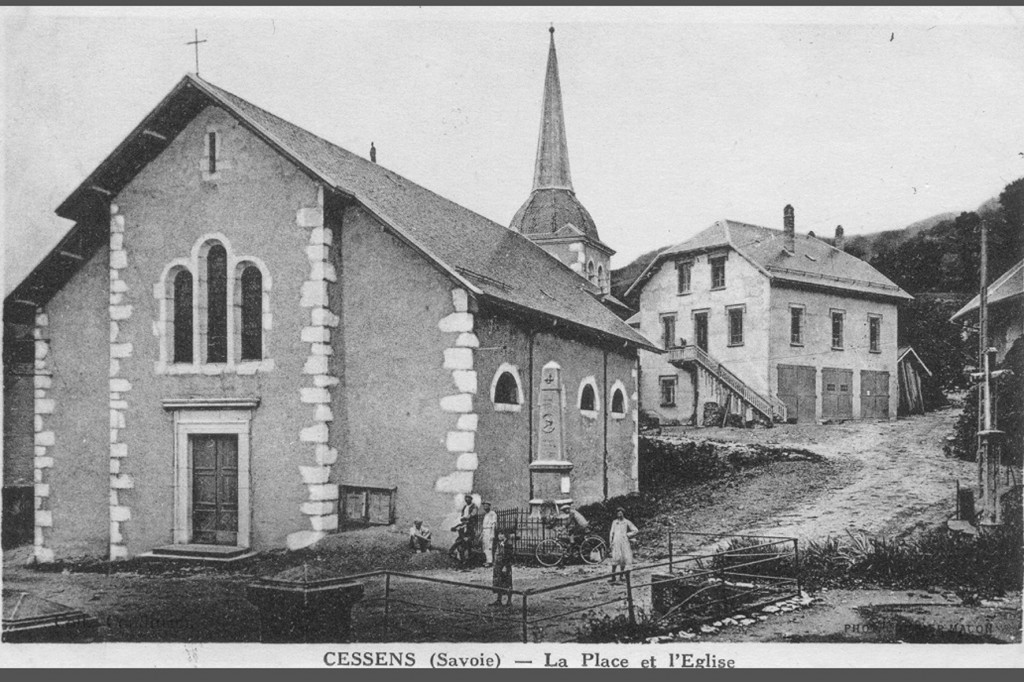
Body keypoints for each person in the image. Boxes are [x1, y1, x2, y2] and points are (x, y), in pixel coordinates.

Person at [608, 507, 638, 584]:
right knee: (615, 558)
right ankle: (613, 576)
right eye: (618, 513)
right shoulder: (614, 522)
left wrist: (628, 535)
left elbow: (635, 530)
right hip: (616, 541)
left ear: (623, 514)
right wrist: (611, 541)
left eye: (621, 513)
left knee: (623, 559)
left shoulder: (627, 522)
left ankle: (621, 576)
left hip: (624, 541)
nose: (619, 514)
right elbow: (611, 533)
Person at [491, 532, 515, 606]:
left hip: (505, 565)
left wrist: (505, 566)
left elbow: (510, 556)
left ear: (505, 535)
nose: (499, 536)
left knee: (507, 582)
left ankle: (509, 601)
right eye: (499, 534)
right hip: (498, 565)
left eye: (501, 534)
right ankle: (499, 600)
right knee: (498, 582)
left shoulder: (508, 544)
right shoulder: (498, 543)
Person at [481, 502, 498, 567]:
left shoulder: (492, 514)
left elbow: (494, 524)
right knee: (485, 547)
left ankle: (490, 561)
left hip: (489, 531)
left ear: (489, 506)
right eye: (484, 506)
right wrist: (482, 533)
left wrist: (492, 533)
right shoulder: (486, 515)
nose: (485, 507)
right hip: (485, 531)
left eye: (486, 506)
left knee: (489, 547)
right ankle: (487, 560)